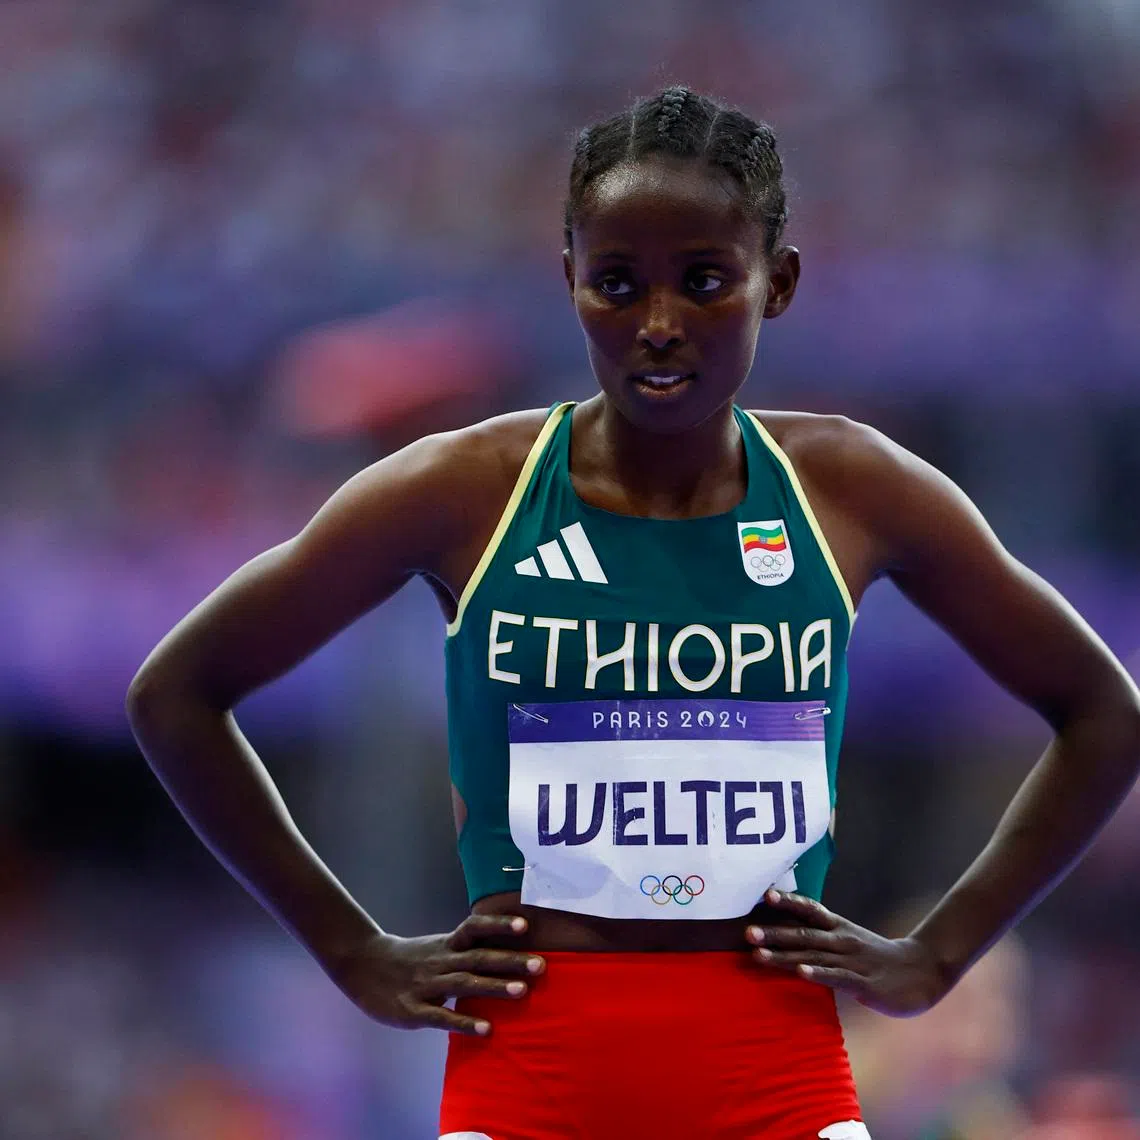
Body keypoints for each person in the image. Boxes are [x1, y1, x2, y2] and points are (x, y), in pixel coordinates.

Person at [125, 86, 1140, 1140]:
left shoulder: (850, 489)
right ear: (569, 281)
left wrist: (938, 952)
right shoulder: (467, 490)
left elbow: (1103, 713)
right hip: (529, 1078)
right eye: (617, 283)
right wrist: (353, 952)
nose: (658, 324)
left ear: (777, 282)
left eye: (705, 282)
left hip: (777, 1079)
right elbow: (178, 694)